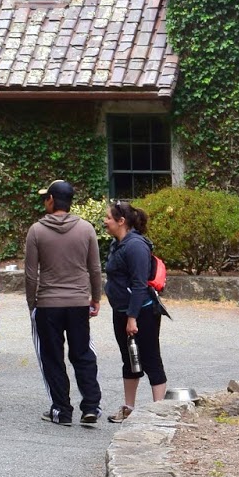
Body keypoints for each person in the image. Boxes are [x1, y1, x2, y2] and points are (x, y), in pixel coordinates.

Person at [24, 179, 103, 427]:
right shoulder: (86, 229)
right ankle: (90, 406)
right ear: (70, 202)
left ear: (50, 200)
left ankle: (61, 410)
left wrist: (31, 303)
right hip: (79, 301)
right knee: (83, 354)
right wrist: (96, 298)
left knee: (52, 357)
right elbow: (95, 269)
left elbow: (30, 273)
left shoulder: (36, 230)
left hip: (48, 303)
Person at [102, 201, 168, 423]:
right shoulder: (117, 244)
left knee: (150, 359)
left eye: (108, 218)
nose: (105, 221)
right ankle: (129, 408)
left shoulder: (136, 246)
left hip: (143, 313)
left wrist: (132, 318)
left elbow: (140, 285)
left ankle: (159, 413)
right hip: (121, 311)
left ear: (121, 221)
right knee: (128, 360)